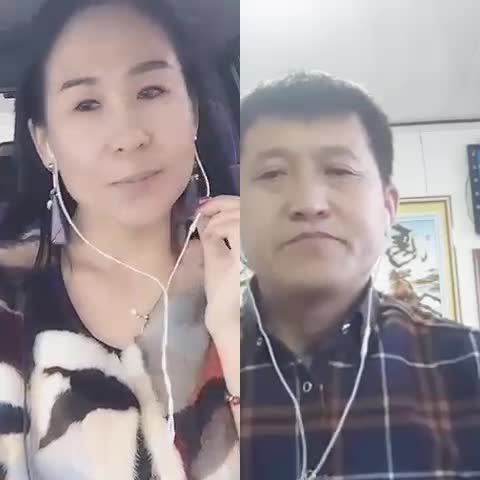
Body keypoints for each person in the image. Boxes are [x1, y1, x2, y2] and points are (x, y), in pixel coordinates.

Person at [0, 1, 240, 479]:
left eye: (151, 90)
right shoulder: (10, 297)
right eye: (86, 104)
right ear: (45, 143)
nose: (129, 136)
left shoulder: (259, 273)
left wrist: (236, 332)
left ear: (192, 113)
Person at [240, 72, 480, 480]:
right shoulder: (179, 368)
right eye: (272, 174)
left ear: (388, 208)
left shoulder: (469, 365)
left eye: (339, 170)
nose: (309, 203)